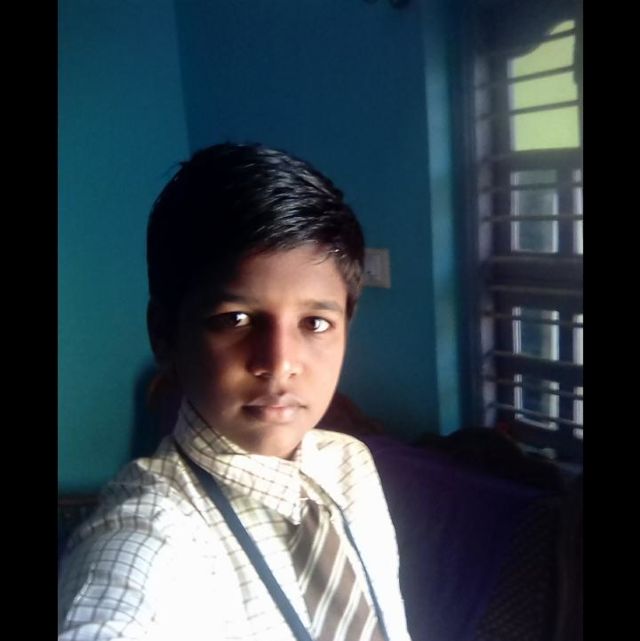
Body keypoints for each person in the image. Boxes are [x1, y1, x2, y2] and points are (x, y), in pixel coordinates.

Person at [58, 143, 412, 641]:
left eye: (315, 322)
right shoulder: (154, 535)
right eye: (235, 319)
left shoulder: (348, 465)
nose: (280, 363)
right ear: (164, 334)